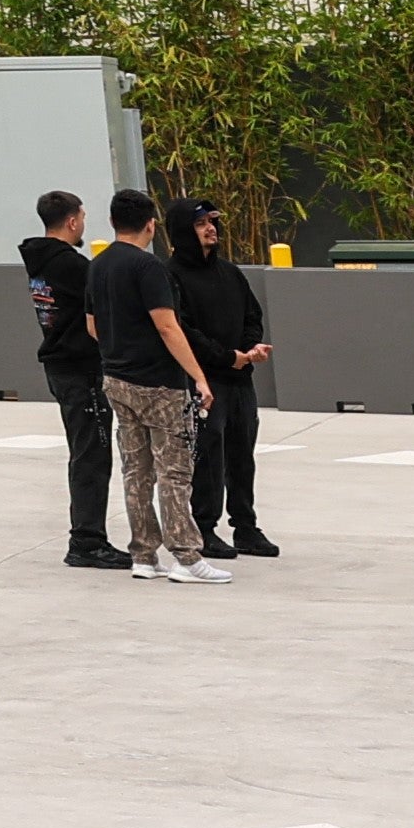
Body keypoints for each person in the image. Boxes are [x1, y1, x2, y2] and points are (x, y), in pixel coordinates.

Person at [84, 187, 223, 581]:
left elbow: (92, 326)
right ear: (151, 224)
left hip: (116, 378)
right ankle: (187, 556)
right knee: (174, 471)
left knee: (136, 470)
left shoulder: (97, 265)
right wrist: (198, 375)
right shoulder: (149, 269)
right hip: (159, 383)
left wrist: (119, 351)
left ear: (112, 223)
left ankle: (144, 555)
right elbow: (166, 325)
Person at [170, 197, 280, 557]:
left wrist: (249, 350)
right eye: (202, 224)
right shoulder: (171, 276)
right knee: (208, 454)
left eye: (213, 222)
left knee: (241, 453)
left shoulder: (230, 272)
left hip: (239, 378)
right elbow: (182, 329)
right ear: (184, 231)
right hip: (204, 380)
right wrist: (225, 357)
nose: (211, 229)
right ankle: (204, 528)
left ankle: (245, 526)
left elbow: (253, 314)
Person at [19, 186, 117, 569]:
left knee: (85, 449)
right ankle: (87, 541)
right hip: (81, 368)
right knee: (92, 453)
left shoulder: (40, 261)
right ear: (73, 220)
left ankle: (88, 537)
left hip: (60, 366)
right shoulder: (74, 267)